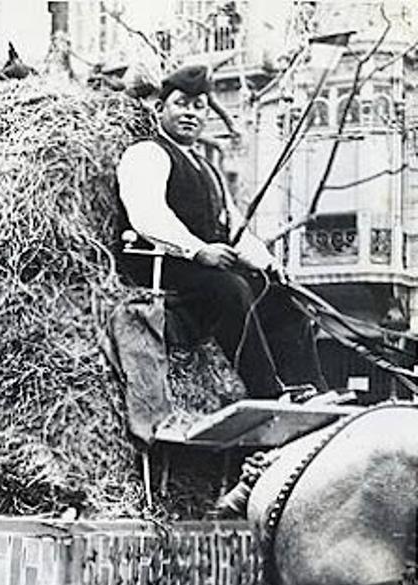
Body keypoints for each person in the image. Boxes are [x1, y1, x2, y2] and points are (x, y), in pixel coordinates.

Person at [116, 64, 326, 399]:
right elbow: (149, 216)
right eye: (181, 104)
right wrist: (198, 250)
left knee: (279, 296)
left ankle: (312, 390)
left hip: (205, 269)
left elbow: (234, 227)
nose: (190, 113)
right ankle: (267, 393)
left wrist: (269, 264)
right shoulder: (146, 154)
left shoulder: (209, 169)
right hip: (161, 266)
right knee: (231, 289)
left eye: (199, 107)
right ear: (160, 108)